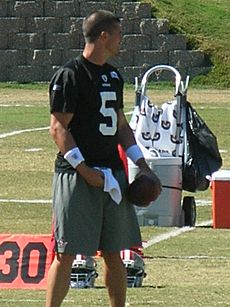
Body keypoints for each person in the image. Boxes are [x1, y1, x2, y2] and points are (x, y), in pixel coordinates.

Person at [46, 10, 161, 307]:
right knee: (67, 252)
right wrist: (83, 169)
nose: (122, 40)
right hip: (77, 175)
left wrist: (142, 164)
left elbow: (121, 126)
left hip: (111, 172)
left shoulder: (113, 75)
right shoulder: (71, 74)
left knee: (114, 251)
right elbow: (58, 128)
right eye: (119, 34)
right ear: (104, 36)